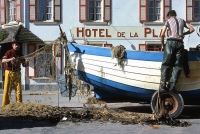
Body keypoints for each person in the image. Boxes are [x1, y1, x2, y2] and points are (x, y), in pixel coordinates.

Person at [160, 10, 194, 92]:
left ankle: (164, 84)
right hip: (180, 42)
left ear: (169, 15)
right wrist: (183, 34)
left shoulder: (168, 21)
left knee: (166, 63)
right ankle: (173, 86)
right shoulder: (182, 20)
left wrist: (162, 45)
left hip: (170, 42)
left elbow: (162, 34)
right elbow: (192, 29)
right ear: (175, 15)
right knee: (178, 65)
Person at [2, 41, 29, 106]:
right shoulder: (9, 52)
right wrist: (10, 59)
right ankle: (5, 105)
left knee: (18, 89)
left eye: (18, 45)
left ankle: (19, 104)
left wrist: (27, 62)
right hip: (9, 72)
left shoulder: (20, 54)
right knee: (7, 89)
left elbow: (24, 65)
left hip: (17, 72)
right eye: (15, 45)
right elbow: (3, 60)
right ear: (13, 45)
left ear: (19, 46)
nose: (17, 46)